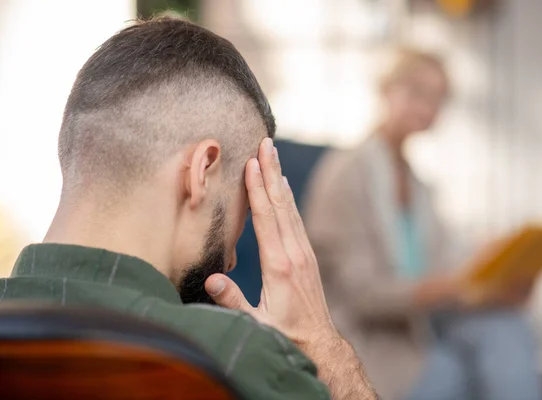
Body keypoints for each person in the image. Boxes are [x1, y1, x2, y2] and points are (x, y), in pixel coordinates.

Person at [0, 17, 378, 400]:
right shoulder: (235, 359)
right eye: (244, 208)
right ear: (202, 170)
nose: (230, 259)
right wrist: (323, 347)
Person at [304, 49, 542, 400]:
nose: (429, 105)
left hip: (421, 325)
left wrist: (495, 283)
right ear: (386, 90)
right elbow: (362, 295)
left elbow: (446, 265)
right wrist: (454, 286)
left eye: (439, 97)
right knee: (475, 367)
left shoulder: (418, 185)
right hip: (371, 339)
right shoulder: (344, 173)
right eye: (418, 91)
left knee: (508, 327)